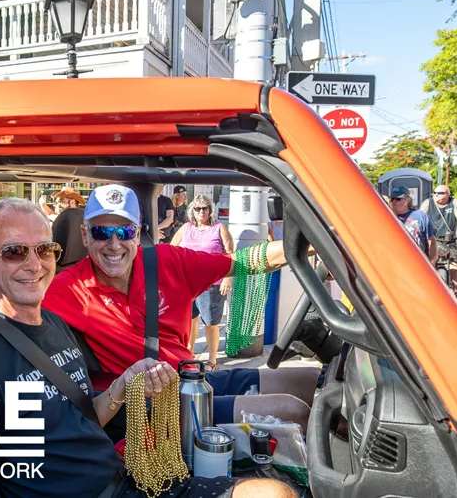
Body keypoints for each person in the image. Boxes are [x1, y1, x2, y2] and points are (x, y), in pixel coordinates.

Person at [0, 198, 295, 498]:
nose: (33, 264)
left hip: (128, 477)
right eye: (14, 252)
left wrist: (122, 386)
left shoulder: (54, 325)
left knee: (273, 488)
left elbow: (86, 418)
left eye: (44, 249)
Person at [43, 185, 317, 431]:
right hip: (155, 405)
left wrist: (321, 244)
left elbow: (243, 261)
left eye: (124, 231)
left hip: (192, 378)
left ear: (137, 234)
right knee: (292, 410)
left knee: (310, 379)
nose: (114, 245)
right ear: (85, 236)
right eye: (101, 232)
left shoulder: (167, 261)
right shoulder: (67, 288)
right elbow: (20, 314)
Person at [170, 195, 234, 371]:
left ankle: (212, 361)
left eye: (205, 208)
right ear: (192, 210)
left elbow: (230, 255)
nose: (201, 212)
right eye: (198, 209)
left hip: (211, 284)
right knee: (189, 321)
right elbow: (171, 250)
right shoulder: (186, 228)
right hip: (187, 285)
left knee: (210, 323)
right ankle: (188, 355)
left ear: (210, 210)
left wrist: (227, 278)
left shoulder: (219, 228)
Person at [389, 185, 437, 262]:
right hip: (394, 262)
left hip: (418, 262)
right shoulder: (386, 216)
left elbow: (432, 241)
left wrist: (432, 261)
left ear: (407, 199)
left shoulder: (421, 216)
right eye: (392, 199)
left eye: (398, 199)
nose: (394, 201)